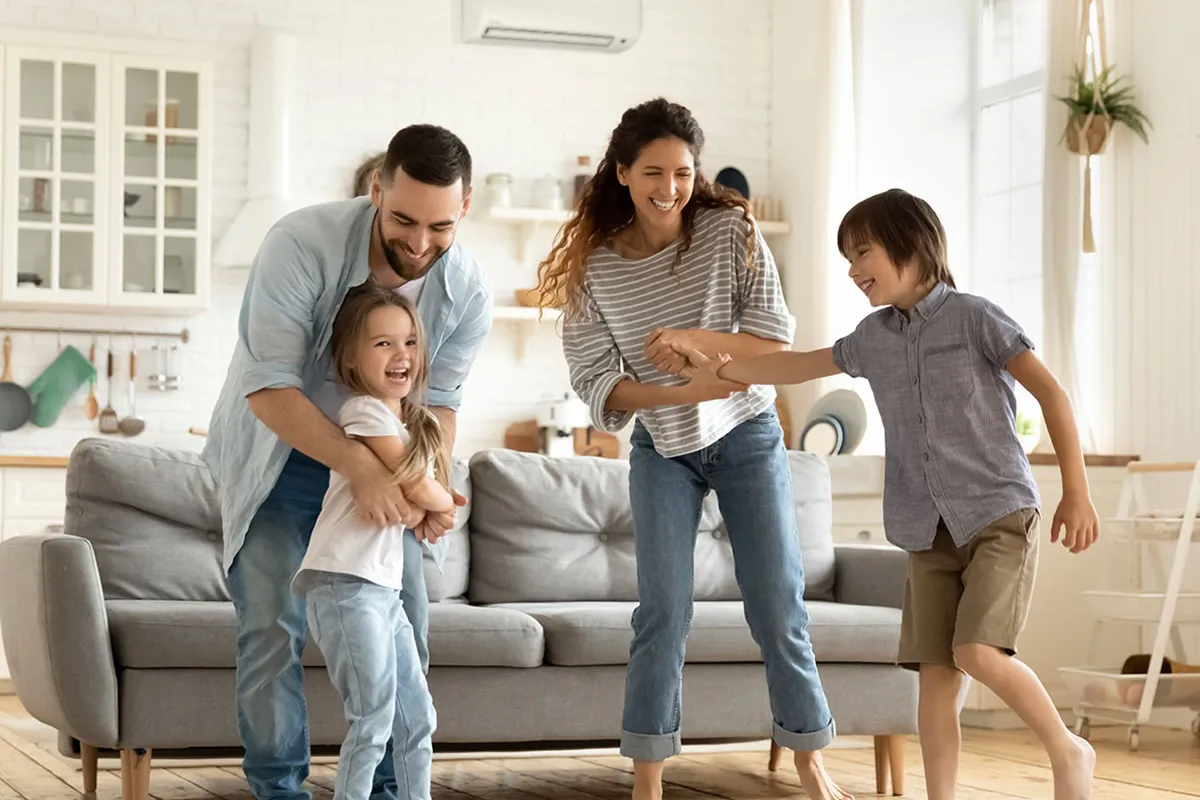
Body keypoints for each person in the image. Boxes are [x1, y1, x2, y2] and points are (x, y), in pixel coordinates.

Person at [702, 187, 1099, 800]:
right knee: (936, 679)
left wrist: (1076, 491)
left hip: (998, 513)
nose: (855, 270)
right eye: (847, 260)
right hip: (925, 528)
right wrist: (722, 371)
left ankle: (1068, 749)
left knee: (976, 651)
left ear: (913, 244)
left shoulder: (976, 318)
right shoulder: (873, 337)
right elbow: (802, 364)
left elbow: (1052, 395)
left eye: (863, 253)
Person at [535, 97, 850, 800]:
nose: (669, 188)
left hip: (747, 434)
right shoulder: (596, 268)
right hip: (664, 447)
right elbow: (596, 384)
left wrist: (702, 351)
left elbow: (772, 338)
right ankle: (648, 779)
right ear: (622, 172)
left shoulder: (729, 230)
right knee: (662, 613)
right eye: (653, 172)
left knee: (776, 605)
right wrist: (685, 393)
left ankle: (808, 756)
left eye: (683, 172)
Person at [203, 124, 493, 800]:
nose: (420, 244)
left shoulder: (468, 289)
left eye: (441, 226)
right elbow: (270, 385)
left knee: (407, 632)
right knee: (273, 628)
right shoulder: (300, 244)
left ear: (466, 208)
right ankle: (279, 790)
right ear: (375, 190)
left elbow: (440, 406)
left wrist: (428, 488)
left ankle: (391, 793)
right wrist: (358, 467)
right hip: (284, 457)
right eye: (403, 220)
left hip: (391, 465)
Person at [293, 283, 448, 800]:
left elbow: (415, 498)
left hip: (383, 590)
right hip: (343, 583)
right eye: (382, 344)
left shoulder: (411, 422)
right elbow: (416, 483)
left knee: (416, 720)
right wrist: (438, 502)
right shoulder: (363, 412)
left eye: (408, 342)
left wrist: (429, 504)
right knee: (374, 718)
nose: (400, 355)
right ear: (352, 359)